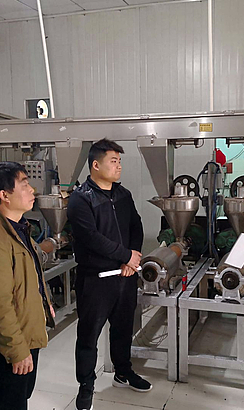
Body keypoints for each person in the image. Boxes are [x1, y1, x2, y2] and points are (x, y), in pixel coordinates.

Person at [67, 138, 150, 410]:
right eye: (113, 161)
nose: (119, 166)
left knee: (124, 328)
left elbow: (136, 225)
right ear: (95, 165)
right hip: (96, 279)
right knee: (88, 335)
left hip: (125, 276)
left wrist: (132, 256)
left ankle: (123, 372)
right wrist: (125, 255)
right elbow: (90, 237)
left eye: (119, 161)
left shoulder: (122, 194)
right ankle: (86, 386)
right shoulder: (81, 199)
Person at [0, 162, 55, 410]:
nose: (32, 190)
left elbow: (30, 275)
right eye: (25, 184)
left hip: (25, 330)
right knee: (10, 404)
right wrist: (16, 350)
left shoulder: (18, 227)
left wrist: (45, 304)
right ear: (4, 195)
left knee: (20, 397)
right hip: (9, 342)